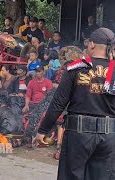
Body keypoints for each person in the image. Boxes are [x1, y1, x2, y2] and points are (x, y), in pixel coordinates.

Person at [36, 28, 115, 180]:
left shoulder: (76, 68)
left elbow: (58, 103)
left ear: (91, 44)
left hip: (78, 135)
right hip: (109, 137)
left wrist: (43, 130)